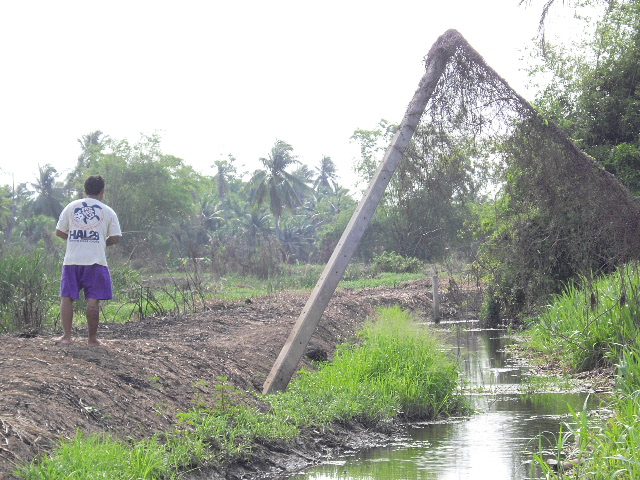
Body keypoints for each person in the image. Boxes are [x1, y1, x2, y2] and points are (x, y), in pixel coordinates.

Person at [52, 175, 121, 347]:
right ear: (102, 192)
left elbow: (59, 232)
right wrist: (101, 242)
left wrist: (76, 239)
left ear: (85, 190)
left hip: (72, 260)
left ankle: (66, 337)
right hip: (95, 261)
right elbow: (115, 238)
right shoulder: (108, 211)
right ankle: (92, 339)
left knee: (67, 297)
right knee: (93, 299)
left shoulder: (71, 207)